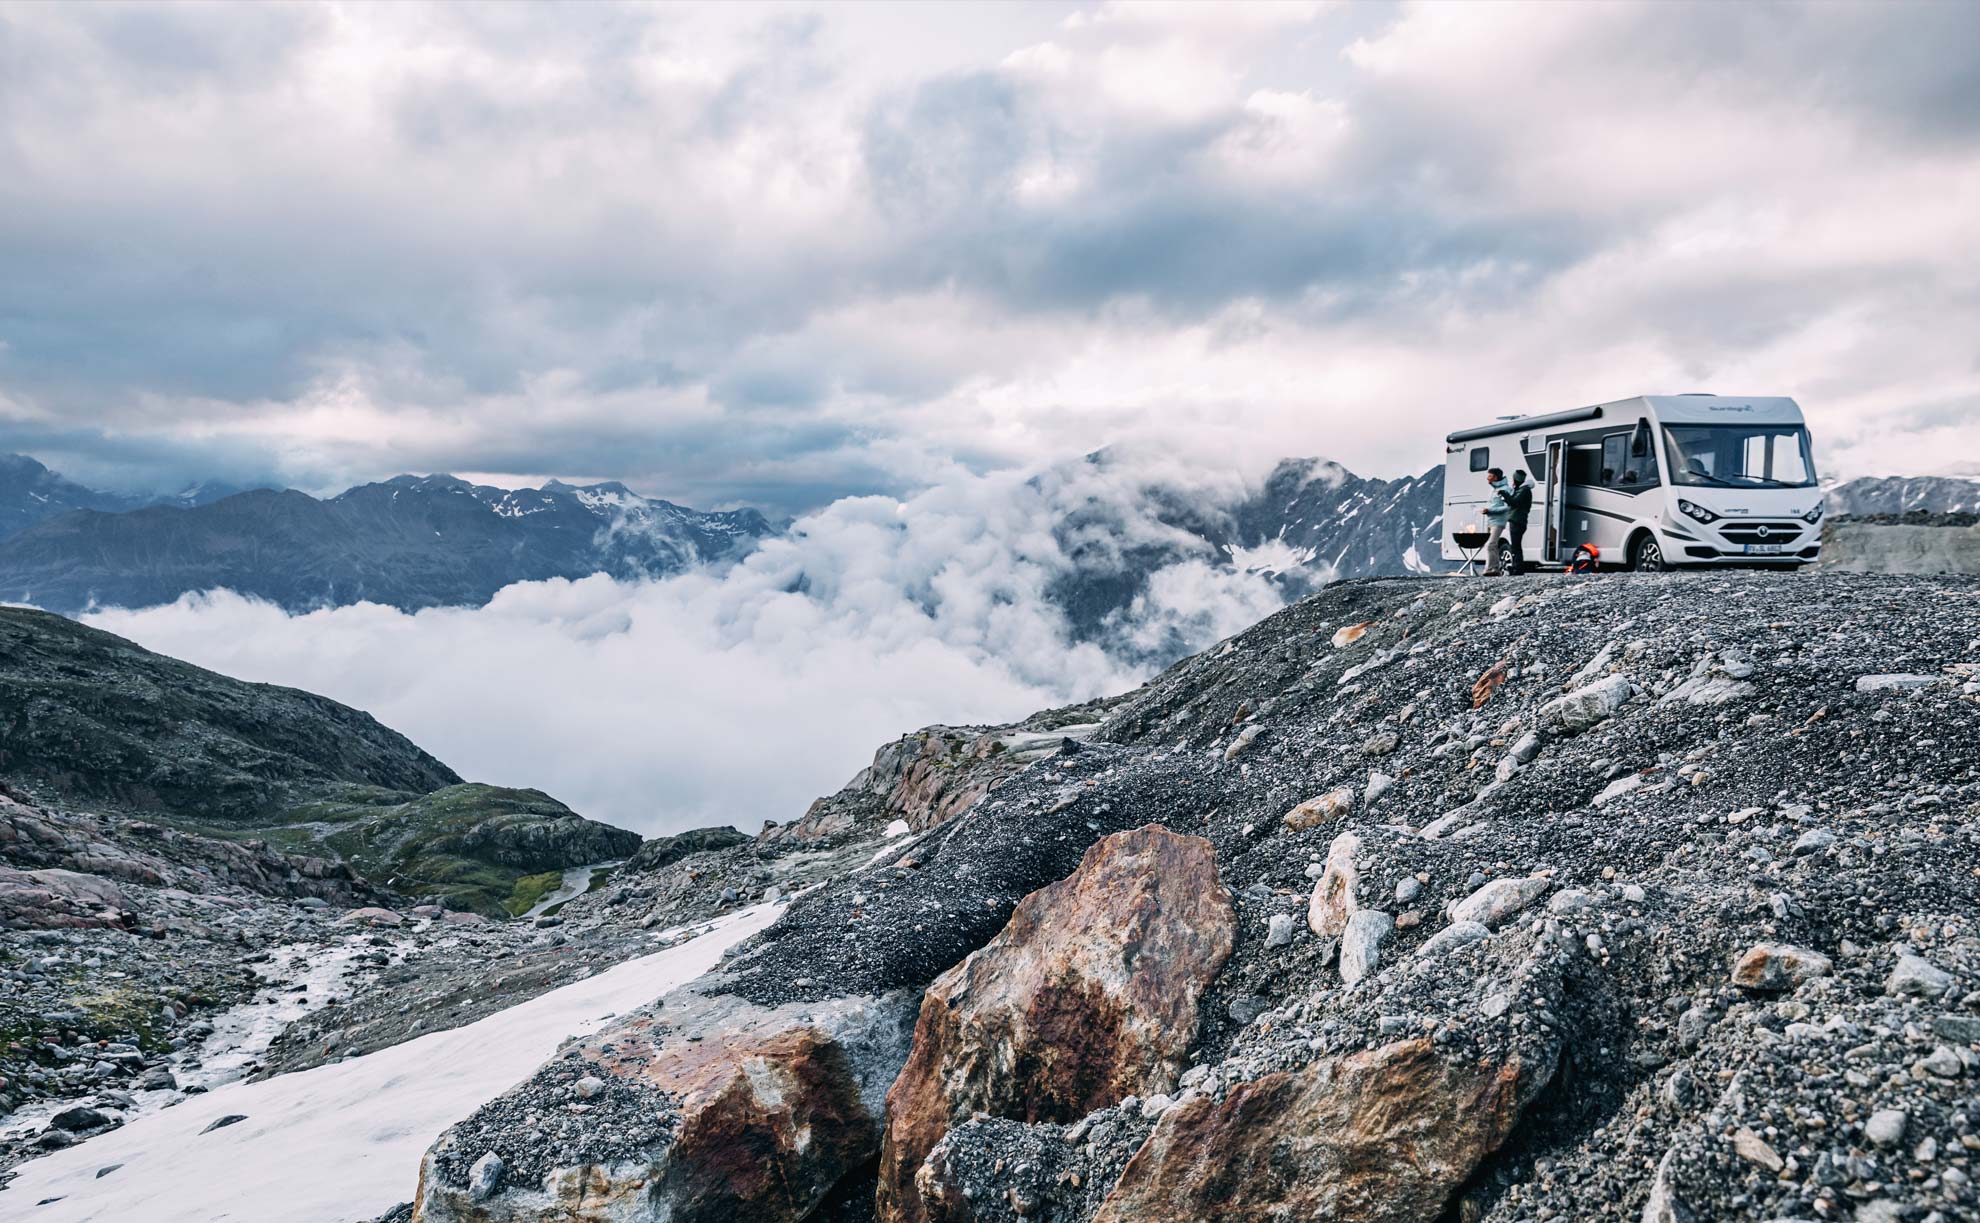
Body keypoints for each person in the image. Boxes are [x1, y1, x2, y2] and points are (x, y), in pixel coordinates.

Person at [1481, 468, 1512, 576]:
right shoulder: (1493, 489)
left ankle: (1491, 569)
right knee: (1491, 545)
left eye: (1489, 476)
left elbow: (1507, 507)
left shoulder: (1505, 489)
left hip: (1498, 521)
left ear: (1495, 477)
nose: (1487, 478)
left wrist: (1490, 510)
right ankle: (1494, 569)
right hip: (1490, 521)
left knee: (1491, 544)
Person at [1506, 469, 1533, 576]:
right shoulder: (1522, 489)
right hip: (1519, 520)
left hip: (1517, 520)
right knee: (1516, 546)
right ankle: (1517, 567)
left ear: (1516, 479)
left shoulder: (1524, 490)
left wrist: (1505, 494)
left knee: (1516, 546)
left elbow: (1514, 502)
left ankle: (1518, 568)